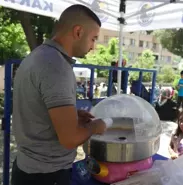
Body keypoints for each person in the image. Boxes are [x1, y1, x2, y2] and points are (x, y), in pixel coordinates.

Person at [11, 5, 112, 185]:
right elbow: (69, 139)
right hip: (47, 175)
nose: (93, 47)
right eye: (93, 39)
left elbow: (38, 111)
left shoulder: (36, 56)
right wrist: (95, 127)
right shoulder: (56, 66)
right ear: (78, 32)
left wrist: (72, 116)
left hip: (26, 168)